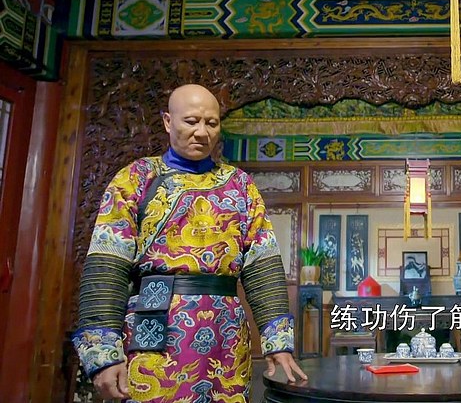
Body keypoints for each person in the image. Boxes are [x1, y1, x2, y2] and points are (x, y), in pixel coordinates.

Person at [71, 84, 307, 402]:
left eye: (211, 123)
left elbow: (262, 267)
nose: (202, 132)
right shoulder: (136, 179)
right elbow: (106, 267)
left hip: (226, 336)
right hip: (153, 332)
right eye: (191, 121)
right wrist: (103, 355)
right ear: (168, 122)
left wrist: (278, 343)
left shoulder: (240, 185)